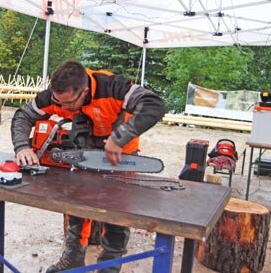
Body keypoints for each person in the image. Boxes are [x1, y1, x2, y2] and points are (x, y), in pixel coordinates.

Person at [11, 60, 166, 272]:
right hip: (83, 153)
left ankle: (109, 267)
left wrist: (120, 137)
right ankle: (73, 258)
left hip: (121, 154)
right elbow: (23, 115)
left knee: (116, 215)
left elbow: (154, 104)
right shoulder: (55, 95)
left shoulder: (114, 87)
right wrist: (22, 147)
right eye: (59, 102)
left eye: (69, 104)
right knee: (76, 207)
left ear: (84, 91)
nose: (63, 108)